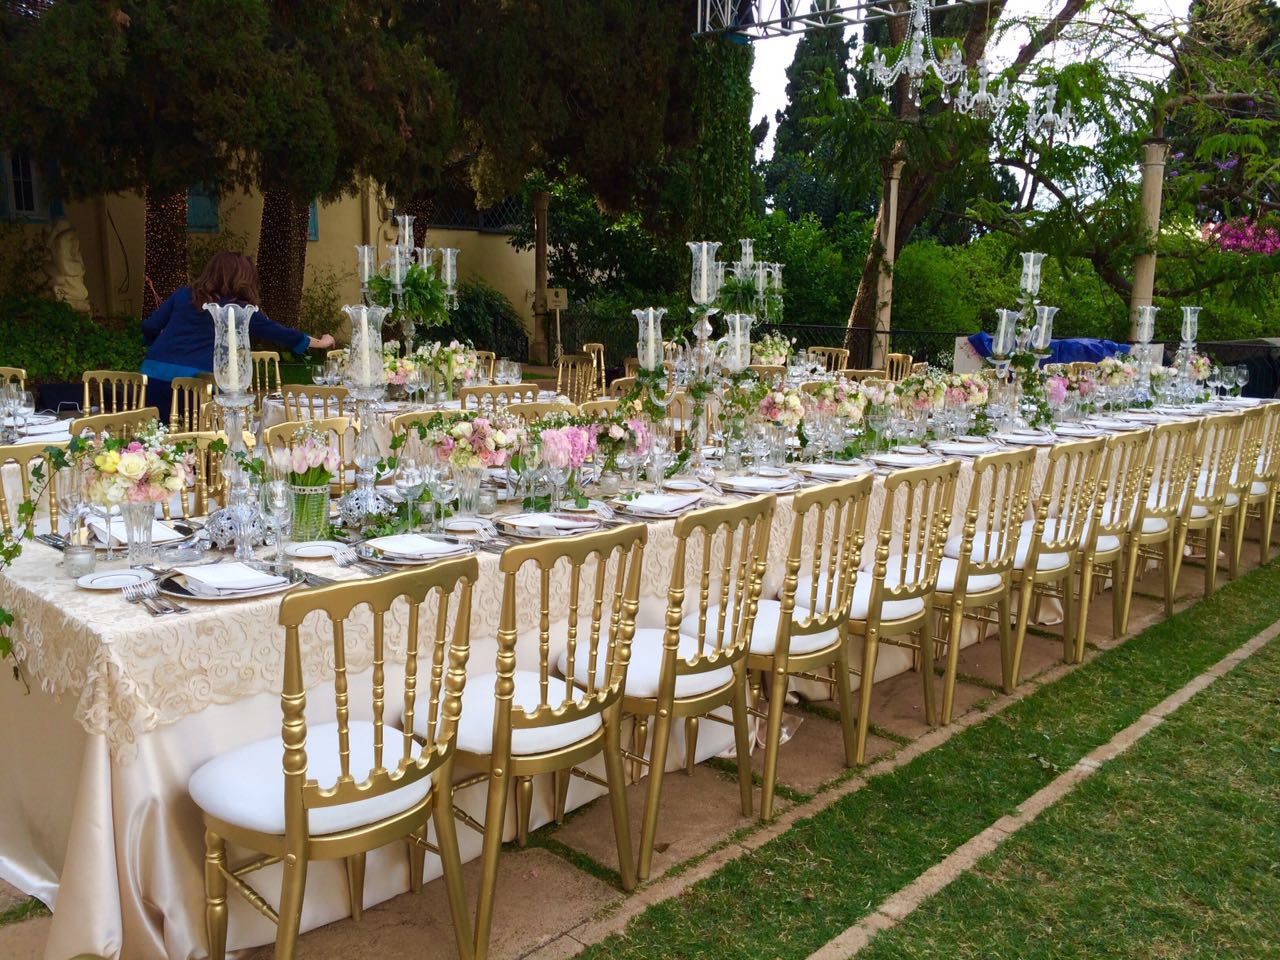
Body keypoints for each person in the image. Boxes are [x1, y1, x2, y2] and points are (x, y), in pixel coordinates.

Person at [141, 252, 336, 424]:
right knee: (199, 436)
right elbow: (278, 332)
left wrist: (160, 347)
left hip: (152, 377)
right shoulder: (237, 308)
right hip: (197, 386)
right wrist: (320, 342)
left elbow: (150, 326)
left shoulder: (183, 295)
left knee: (155, 434)